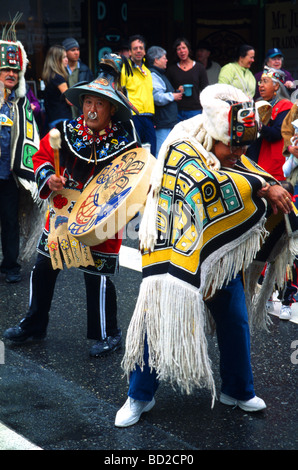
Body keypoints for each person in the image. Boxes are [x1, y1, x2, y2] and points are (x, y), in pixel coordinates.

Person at [114, 83, 296, 427]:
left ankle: (238, 389)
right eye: (234, 144)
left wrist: (269, 184)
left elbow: (246, 172)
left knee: (234, 315)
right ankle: (139, 396)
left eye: (245, 144)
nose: (239, 151)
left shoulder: (231, 149)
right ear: (216, 133)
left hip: (215, 252)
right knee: (160, 316)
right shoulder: (181, 143)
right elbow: (206, 184)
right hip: (173, 253)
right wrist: (262, 186)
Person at [3, 54, 141, 357]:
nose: (91, 109)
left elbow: (133, 175)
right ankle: (34, 325)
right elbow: (39, 159)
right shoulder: (65, 130)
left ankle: (108, 333)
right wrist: (49, 177)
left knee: (98, 276)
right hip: (63, 212)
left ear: (112, 109)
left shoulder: (126, 140)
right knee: (43, 268)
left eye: (99, 104)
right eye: (88, 102)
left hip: (100, 214)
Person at [0, 16, 40, 283]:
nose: (12, 75)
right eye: (6, 70)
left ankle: (11, 266)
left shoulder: (23, 103)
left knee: (10, 220)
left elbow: (32, 137)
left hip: (9, 174)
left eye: (16, 71)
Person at [246, 67, 293, 181]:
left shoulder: (285, 106)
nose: (261, 85)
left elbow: (276, 134)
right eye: (260, 82)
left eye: (265, 82)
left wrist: (258, 125)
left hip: (273, 161)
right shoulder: (258, 103)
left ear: (276, 86)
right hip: (254, 158)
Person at [120, 34, 156, 157]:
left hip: (149, 117)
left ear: (145, 51)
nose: (138, 50)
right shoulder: (125, 69)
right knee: (136, 154)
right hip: (134, 117)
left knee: (152, 154)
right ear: (130, 52)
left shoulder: (148, 72)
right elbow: (119, 92)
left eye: (141, 48)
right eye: (135, 48)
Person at [146, 46, 182, 156]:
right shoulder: (154, 74)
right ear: (156, 60)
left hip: (166, 122)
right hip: (162, 123)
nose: (166, 60)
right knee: (161, 153)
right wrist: (173, 96)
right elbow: (157, 97)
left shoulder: (159, 74)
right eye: (164, 58)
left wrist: (175, 92)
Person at [166, 37, 208, 121]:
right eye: (178, 49)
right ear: (176, 52)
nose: (182, 51)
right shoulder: (172, 69)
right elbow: (167, 90)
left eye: (184, 48)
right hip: (177, 110)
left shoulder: (199, 67)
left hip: (195, 110)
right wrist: (177, 91)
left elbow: (206, 89)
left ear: (188, 49)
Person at [42, 45, 72, 130]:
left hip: (53, 118)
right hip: (61, 119)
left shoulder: (50, 76)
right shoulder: (58, 78)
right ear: (56, 60)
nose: (67, 60)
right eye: (64, 57)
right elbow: (69, 100)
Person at [62, 37, 94, 118]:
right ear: (65, 52)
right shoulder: (61, 71)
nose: (76, 52)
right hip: (66, 112)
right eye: (73, 50)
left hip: (82, 112)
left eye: (78, 49)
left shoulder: (85, 70)